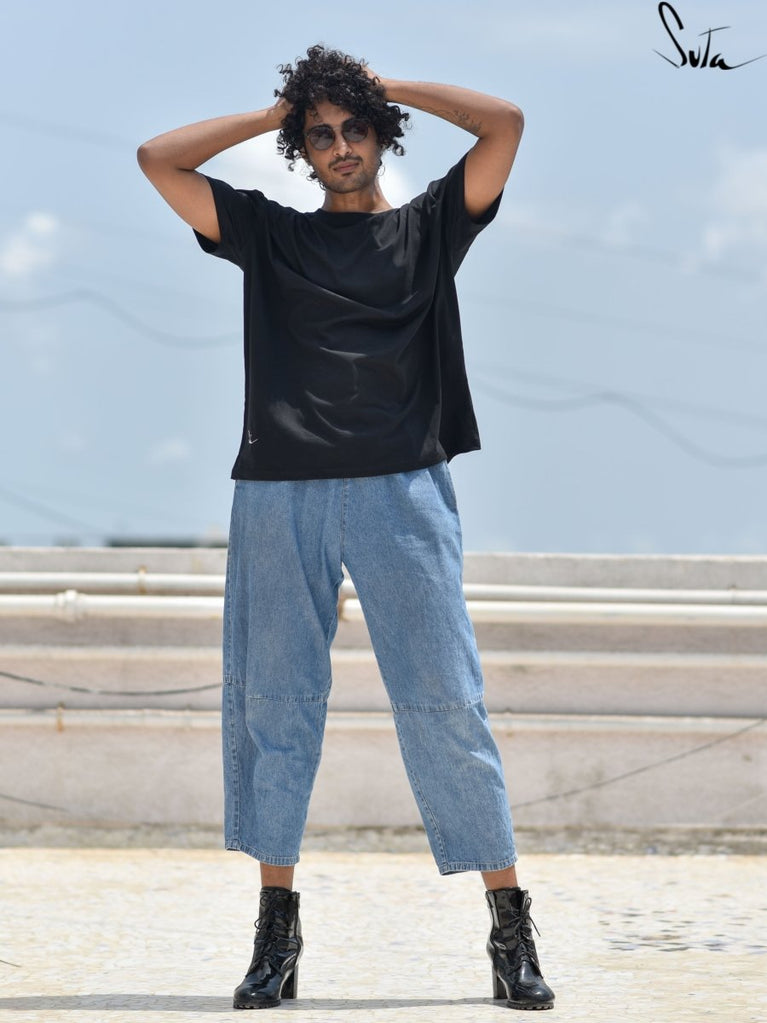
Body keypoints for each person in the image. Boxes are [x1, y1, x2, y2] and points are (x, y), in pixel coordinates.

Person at [137, 43, 554, 1012]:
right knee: (276, 707)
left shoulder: (429, 228)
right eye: (319, 134)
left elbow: (504, 125)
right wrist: (278, 109)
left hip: (403, 492)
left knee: (446, 702)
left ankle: (509, 928)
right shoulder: (269, 235)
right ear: (302, 148)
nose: (338, 144)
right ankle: (275, 935)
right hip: (279, 492)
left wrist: (378, 86)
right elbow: (159, 159)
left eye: (353, 127)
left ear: (379, 134)